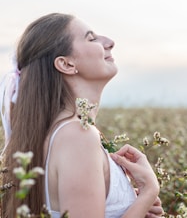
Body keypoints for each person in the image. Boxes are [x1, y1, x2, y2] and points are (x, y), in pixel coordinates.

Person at [0, 13, 163, 217]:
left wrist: (134, 206)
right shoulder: (77, 136)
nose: (109, 42)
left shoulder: (64, 132)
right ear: (66, 64)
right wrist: (148, 192)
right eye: (91, 38)